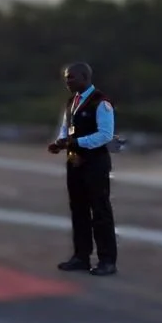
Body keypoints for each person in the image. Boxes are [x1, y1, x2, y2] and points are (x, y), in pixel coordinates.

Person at [47, 62, 117, 276]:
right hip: (74, 162)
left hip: (95, 163)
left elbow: (105, 135)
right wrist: (60, 143)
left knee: (100, 210)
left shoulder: (101, 102)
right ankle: (81, 256)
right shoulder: (72, 101)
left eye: (71, 77)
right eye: (66, 78)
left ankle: (107, 260)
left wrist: (76, 142)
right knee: (78, 209)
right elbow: (66, 128)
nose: (67, 81)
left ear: (85, 77)